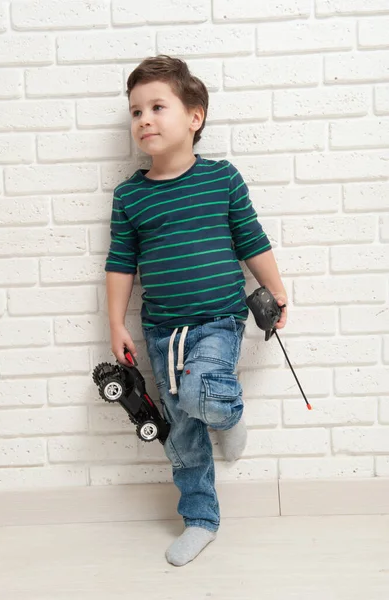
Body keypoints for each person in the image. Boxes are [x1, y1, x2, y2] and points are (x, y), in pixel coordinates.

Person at [105, 55, 287, 567]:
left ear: (194, 117)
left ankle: (228, 415)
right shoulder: (130, 196)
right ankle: (201, 519)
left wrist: (277, 291)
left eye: (157, 106)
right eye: (136, 111)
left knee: (203, 392)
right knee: (181, 434)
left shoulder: (222, 179)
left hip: (218, 320)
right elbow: (120, 264)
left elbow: (252, 238)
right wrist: (116, 323)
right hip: (162, 330)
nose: (144, 119)